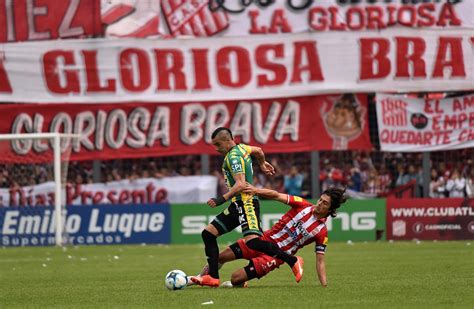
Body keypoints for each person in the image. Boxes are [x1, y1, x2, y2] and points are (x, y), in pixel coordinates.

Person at [192, 127, 304, 287]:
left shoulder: (234, 157)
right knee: (208, 234)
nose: (216, 149)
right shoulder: (242, 148)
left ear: (227, 140)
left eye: (218, 144)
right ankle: (213, 277)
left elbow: (241, 184)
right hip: (236, 205)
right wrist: (262, 163)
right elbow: (258, 150)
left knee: (252, 242)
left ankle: (292, 260)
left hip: (246, 202)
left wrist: (220, 199)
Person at [191, 184, 347, 288]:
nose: (319, 203)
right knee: (220, 257)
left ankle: (241, 282)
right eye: (320, 199)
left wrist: (324, 287)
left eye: (325, 203)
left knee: (235, 278)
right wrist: (256, 190)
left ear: (331, 209)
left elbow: (320, 261)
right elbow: (276, 195)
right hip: (261, 240)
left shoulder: (321, 232)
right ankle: (200, 278)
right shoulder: (302, 204)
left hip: (274, 257)